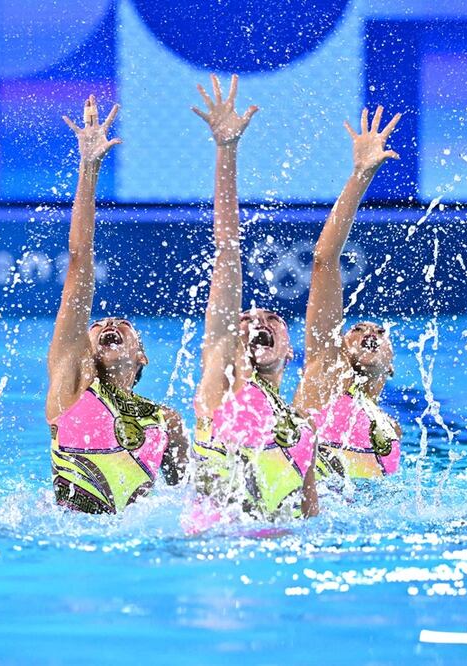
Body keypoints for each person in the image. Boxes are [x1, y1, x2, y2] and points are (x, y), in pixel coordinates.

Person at [46, 95, 188, 515]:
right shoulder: (70, 388)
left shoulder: (167, 422)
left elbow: (190, 499)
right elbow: (78, 264)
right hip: (67, 539)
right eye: (99, 325)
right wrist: (88, 168)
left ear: (141, 355)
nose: (108, 321)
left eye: (123, 324)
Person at [190, 75, 318, 522]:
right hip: (210, 551)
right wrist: (226, 151)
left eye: (272, 318)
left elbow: (310, 520)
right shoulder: (221, 384)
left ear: (290, 352)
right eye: (245, 317)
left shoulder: (303, 429)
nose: (257, 318)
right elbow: (227, 252)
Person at [294, 106, 404, 480]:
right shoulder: (322, 377)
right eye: (356, 329)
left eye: (379, 332)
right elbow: (325, 259)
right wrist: (361, 175)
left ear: (391, 364)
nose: (370, 333)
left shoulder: (392, 430)